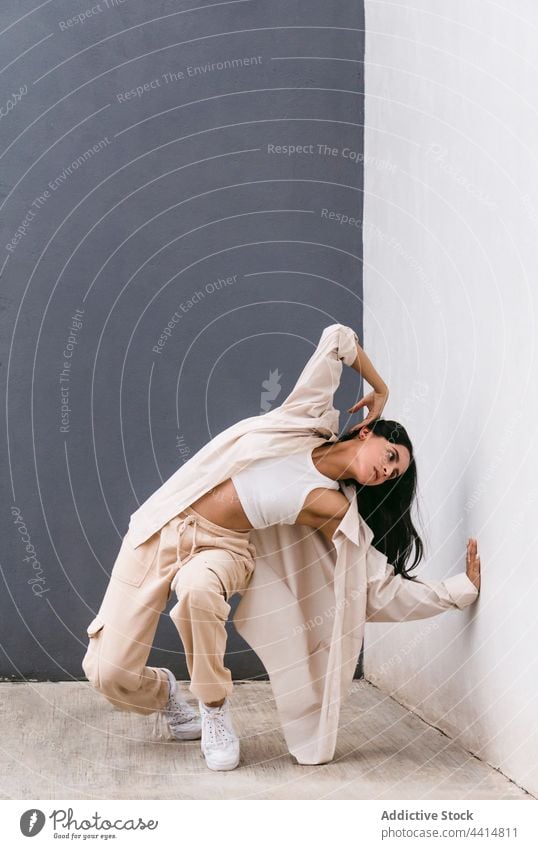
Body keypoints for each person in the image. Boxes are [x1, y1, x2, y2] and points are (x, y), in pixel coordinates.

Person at [82, 324, 480, 771]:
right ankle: (166, 695)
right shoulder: (304, 420)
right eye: (391, 457)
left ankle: (213, 708)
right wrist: (381, 387)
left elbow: (371, 586)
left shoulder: (332, 507)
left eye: (394, 475)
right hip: (163, 527)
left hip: (226, 549)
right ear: (368, 433)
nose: (387, 471)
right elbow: (337, 338)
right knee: (108, 674)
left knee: (197, 591)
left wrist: (456, 591)